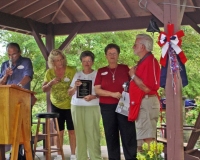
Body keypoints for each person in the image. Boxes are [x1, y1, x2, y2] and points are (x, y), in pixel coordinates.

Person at [94, 44, 137, 160]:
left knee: (128, 133)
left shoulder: (124, 68)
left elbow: (134, 84)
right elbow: (97, 90)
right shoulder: (101, 71)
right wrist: (112, 94)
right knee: (111, 134)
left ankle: (131, 158)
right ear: (106, 56)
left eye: (114, 53)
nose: (112, 56)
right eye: (110, 54)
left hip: (124, 105)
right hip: (107, 107)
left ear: (118, 55)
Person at [0, 42, 34, 160]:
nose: (11, 57)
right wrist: (5, 76)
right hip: (7, 102)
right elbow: (1, 83)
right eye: (9, 55)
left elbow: (28, 76)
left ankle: (24, 154)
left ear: (19, 53)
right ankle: (9, 154)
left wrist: (18, 86)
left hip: (22, 100)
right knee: (7, 128)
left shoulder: (26, 61)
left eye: (14, 54)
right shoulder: (4, 65)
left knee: (24, 127)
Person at [42, 49, 76, 160]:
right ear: (52, 62)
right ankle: (59, 155)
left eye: (61, 59)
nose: (60, 62)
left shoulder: (72, 71)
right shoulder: (49, 73)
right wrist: (50, 83)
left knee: (72, 131)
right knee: (59, 131)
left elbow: (78, 85)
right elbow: (44, 89)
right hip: (56, 104)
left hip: (71, 104)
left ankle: (73, 155)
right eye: (57, 60)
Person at [128, 34, 160, 149]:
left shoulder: (149, 61)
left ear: (142, 47)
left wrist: (132, 76)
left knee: (147, 138)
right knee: (143, 141)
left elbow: (146, 88)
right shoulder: (145, 61)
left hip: (147, 103)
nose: (133, 47)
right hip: (143, 103)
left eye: (135, 45)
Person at [68, 51, 102, 160]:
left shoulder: (97, 74)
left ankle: (95, 157)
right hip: (76, 106)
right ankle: (81, 157)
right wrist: (75, 87)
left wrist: (93, 96)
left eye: (89, 61)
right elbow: (69, 93)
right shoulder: (77, 74)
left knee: (93, 134)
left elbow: (101, 92)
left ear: (92, 62)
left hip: (92, 106)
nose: (86, 63)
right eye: (84, 61)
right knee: (79, 134)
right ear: (81, 62)